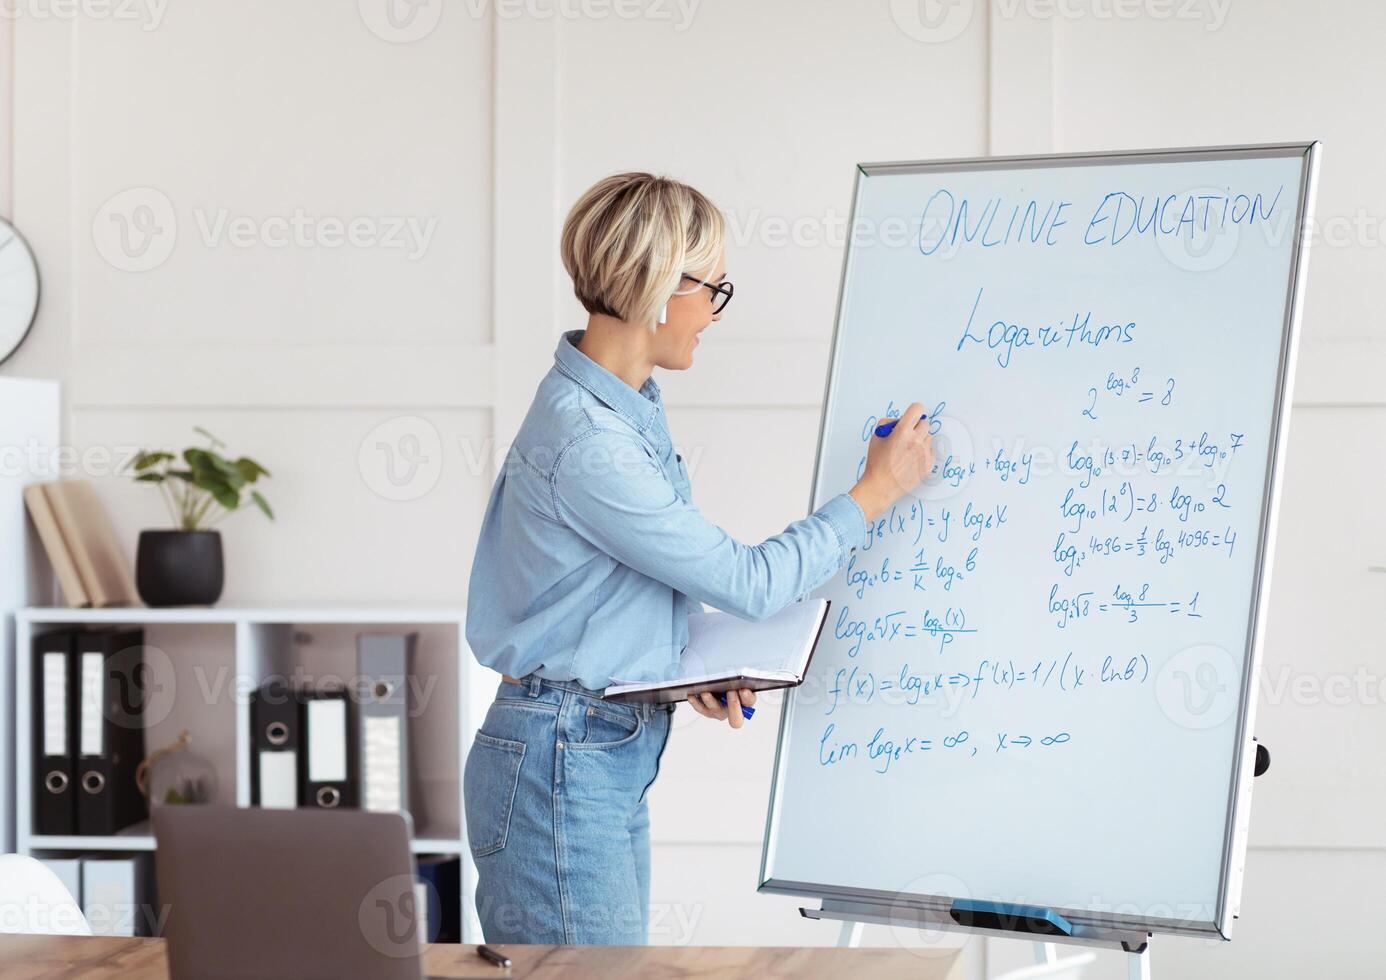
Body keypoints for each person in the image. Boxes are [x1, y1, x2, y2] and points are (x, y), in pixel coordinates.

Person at [462, 172, 935, 944]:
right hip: (563, 758)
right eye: (711, 287)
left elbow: (608, 597)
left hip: (593, 745)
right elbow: (748, 581)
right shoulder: (591, 441)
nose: (715, 311)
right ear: (655, 286)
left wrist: (683, 671)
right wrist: (875, 493)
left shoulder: (625, 405)